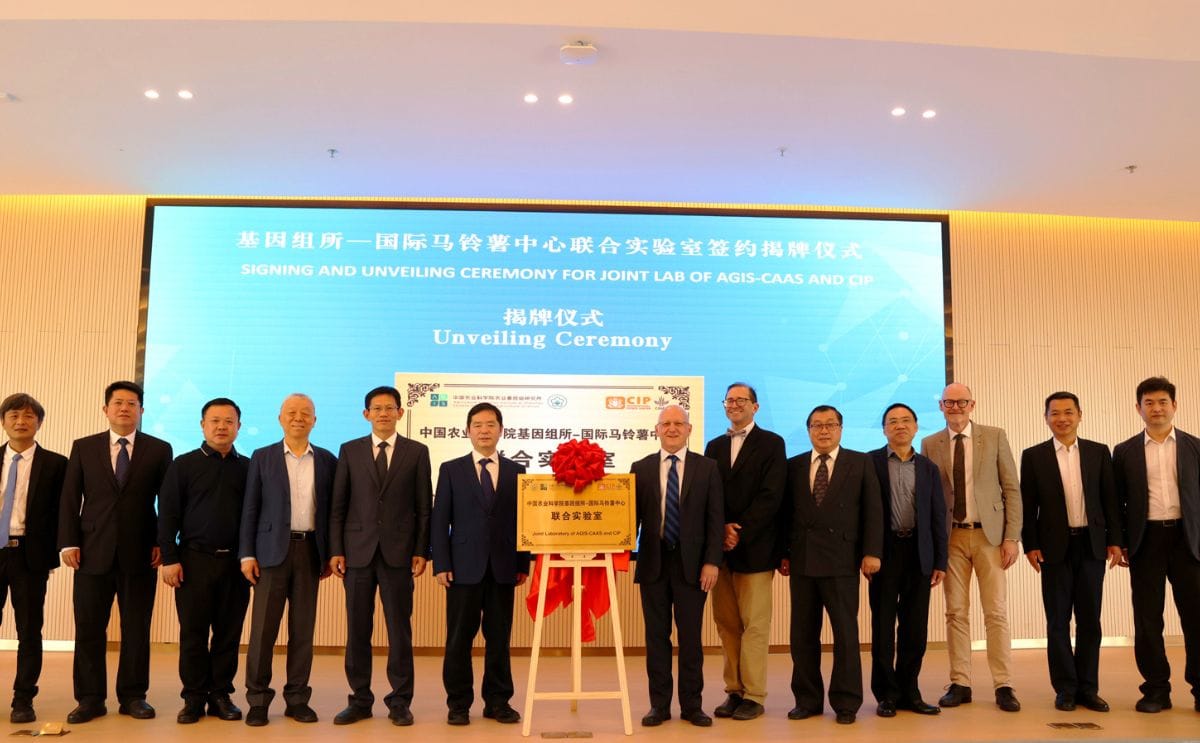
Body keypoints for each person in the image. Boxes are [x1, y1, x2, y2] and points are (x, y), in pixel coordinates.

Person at [58, 380, 173, 723]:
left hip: (141, 552)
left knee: (137, 627)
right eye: (118, 402)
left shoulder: (159, 449)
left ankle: (134, 696)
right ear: (105, 409)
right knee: (89, 628)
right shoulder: (84, 447)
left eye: (132, 403)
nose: (125, 408)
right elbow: (69, 498)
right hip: (91, 552)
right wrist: (68, 541)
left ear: (141, 410)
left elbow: (167, 504)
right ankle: (90, 698)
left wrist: (163, 544)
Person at [329, 386, 431, 726]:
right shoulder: (350, 450)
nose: (384, 413)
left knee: (399, 630)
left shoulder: (417, 452)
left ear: (401, 413)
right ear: (366, 415)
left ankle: (400, 701)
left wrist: (421, 550)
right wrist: (336, 550)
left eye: (390, 408)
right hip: (357, 553)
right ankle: (359, 700)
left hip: (399, 555)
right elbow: (338, 506)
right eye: (377, 408)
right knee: (357, 629)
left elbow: (423, 508)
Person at [920, 382, 1022, 712]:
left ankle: (1004, 684)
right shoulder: (930, 443)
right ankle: (960, 682)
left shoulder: (994, 436)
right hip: (950, 538)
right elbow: (929, 497)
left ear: (972, 404)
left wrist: (1011, 537)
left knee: (995, 612)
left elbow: (1011, 488)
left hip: (989, 537)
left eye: (961, 402)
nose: (955, 407)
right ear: (941, 406)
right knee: (955, 612)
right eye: (948, 402)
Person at [780, 405, 882, 725]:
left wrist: (872, 552)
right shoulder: (793, 466)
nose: (824, 431)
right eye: (817, 425)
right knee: (802, 635)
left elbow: (873, 510)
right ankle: (807, 700)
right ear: (808, 430)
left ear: (841, 428)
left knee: (846, 635)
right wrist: (782, 553)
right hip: (802, 561)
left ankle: (846, 702)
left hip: (843, 560)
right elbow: (785, 515)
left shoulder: (860, 462)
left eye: (830, 425)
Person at [239, 393, 336, 726]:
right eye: (292, 412)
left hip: (310, 551)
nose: (299, 417)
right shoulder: (262, 457)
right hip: (269, 553)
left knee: (303, 631)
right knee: (263, 630)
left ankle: (297, 698)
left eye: (306, 413)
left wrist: (332, 552)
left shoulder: (326, 460)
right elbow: (250, 508)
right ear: (280, 418)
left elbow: (333, 513)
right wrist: (247, 554)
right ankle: (258, 700)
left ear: (314, 421)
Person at [1021, 391, 1121, 713]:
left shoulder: (1098, 452)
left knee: (1090, 620)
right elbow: (1028, 505)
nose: (1062, 418)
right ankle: (1065, 688)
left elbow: (1111, 501)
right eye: (1055, 413)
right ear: (1046, 417)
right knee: (1058, 621)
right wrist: (1031, 545)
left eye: (1068, 412)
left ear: (1080, 415)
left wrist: (1115, 540)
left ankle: (1088, 689)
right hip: (1053, 550)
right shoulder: (1033, 456)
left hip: (1091, 546)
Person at [431, 402, 528, 726]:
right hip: (461, 568)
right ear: (468, 431)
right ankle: (458, 704)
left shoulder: (517, 471)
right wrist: (441, 563)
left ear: (501, 430)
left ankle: (498, 702)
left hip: (503, 568)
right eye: (478, 425)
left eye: (490, 424)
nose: (484, 430)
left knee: (499, 638)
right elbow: (439, 520)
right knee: (459, 638)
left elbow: (523, 521)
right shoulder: (451, 469)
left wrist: (523, 564)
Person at [157, 398, 251, 724]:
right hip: (193, 560)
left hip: (237, 565)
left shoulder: (249, 468)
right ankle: (194, 697)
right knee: (193, 633)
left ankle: (221, 694)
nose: (222, 427)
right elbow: (167, 515)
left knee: (228, 633)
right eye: (215, 421)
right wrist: (169, 558)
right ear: (202, 425)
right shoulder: (183, 465)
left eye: (229, 421)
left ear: (239, 426)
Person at [631, 405, 723, 728]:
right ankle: (659, 705)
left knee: (691, 640)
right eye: (665, 423)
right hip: (653, 564)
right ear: (657, 429)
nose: (672, 428)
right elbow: (631, 519)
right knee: (656, 638)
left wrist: (712, 561)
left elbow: (715, 520)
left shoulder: (707, 468)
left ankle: (692, 705)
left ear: (689, 429)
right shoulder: (639, 468)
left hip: (693, 566)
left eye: (678, 423)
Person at [1112, 376, 1200, 713]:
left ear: (1174, 405)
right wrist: (1119, 544)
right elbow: (1116, 503)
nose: (1157, 408)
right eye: (1149, 403)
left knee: (1196, 618)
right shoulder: (1125, 452)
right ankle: (1156, 689)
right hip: (1145, 540)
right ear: (1138, 408)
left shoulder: (1195, 447)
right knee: (1148, 619)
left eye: (1163, 402)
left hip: (1188, 541)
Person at [703, 383, 786, 721]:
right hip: (720, 552)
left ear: (756, 406)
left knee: (755, 624)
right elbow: (707, 495)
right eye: (730, 400)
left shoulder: (772, 443)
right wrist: (720, 529)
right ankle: (733, 691)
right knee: (726, 624)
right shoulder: (714, 445)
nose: (734, 404)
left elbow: (771, 496)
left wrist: (739, 530)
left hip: (755, 548)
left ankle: (754, 694)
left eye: (742, 400)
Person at [868, 403, 947, 717]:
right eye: (892, 422)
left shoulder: (928, 467)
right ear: (884, 429)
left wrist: (940, 560)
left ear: (915, 427)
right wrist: (866, 553)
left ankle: (910, 691)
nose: (899, 426)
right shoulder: (869, 463)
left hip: (919, 553)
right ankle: (886, 694)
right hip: (884, 554)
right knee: (883, 627)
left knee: (915, 628)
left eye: (905, 421)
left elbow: (937, 516)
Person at [0, 393, 67, 723]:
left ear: (39, 423)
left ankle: (23, 699)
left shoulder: (57, 464)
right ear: (3, 422)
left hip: (30, 555)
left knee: (29, 629)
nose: (20, 421)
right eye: (13, 416)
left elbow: (64, 512)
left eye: (28, 416)